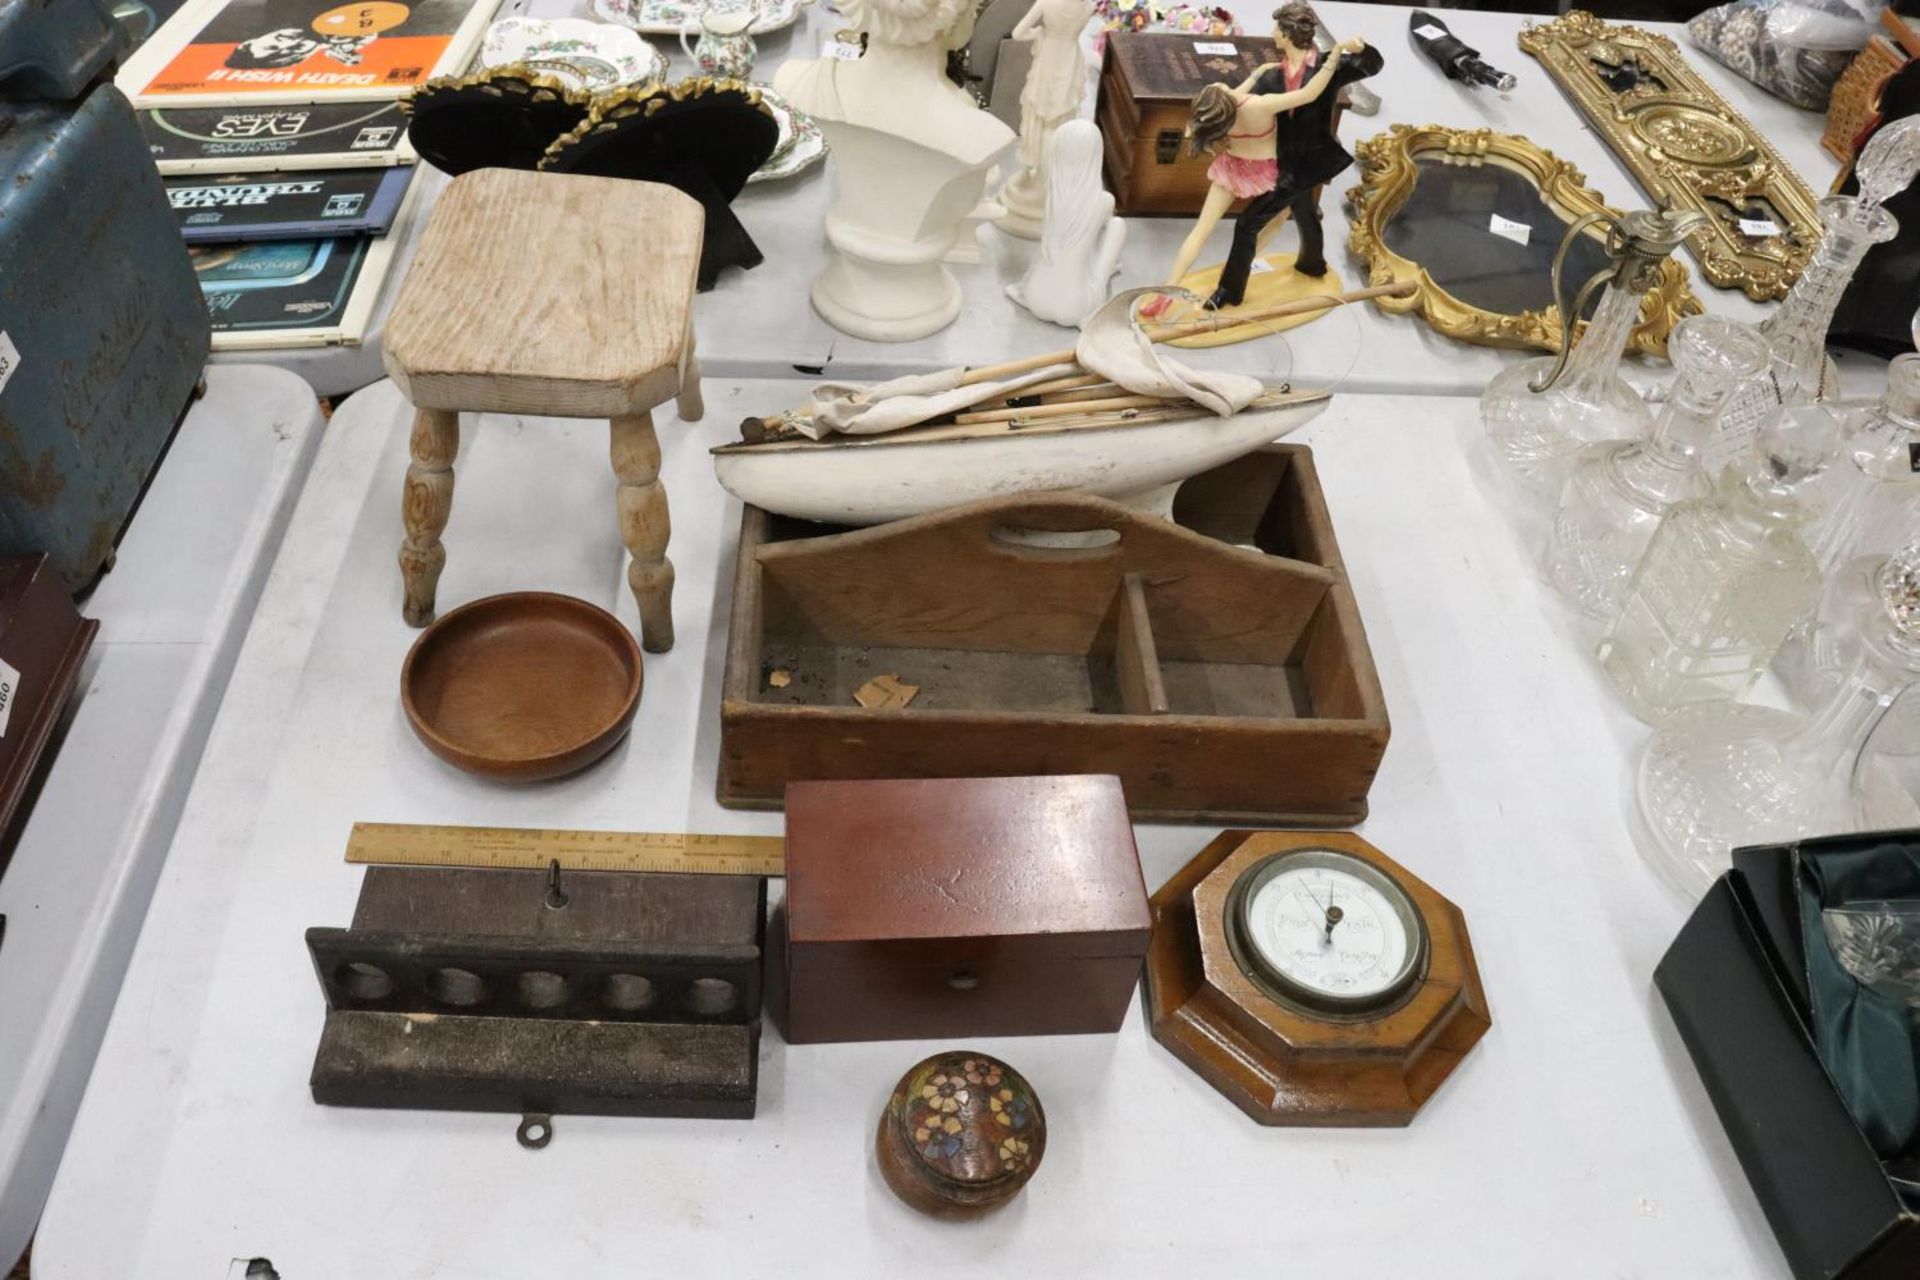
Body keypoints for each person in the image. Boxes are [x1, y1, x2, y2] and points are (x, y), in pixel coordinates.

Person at [1139, 20, 1357, 318]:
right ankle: (1247, 265)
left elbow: (1231, 95)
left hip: (1229, 169)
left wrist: (1258, 72)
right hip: (1262, 173)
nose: (1219, 82)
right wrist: (1337, 53)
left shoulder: (1217, 115)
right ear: (1223, 94)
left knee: (1200, 231)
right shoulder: (1259, 106)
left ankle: (1167, 291)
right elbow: (1309, 95)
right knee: (1277, 219)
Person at [1206, 2, 1381, 309]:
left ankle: (1231, 292)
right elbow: (1241, 104)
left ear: (1287, 35)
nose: (1273, 34)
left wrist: (1361, 48)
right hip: (1285, 161)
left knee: (1247, 224)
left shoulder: (1330, 66)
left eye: (1277, 29)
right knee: (1304, 209)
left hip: (1310, 161)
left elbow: (1373, 65)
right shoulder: (1270, 77)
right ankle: (1312, 263)